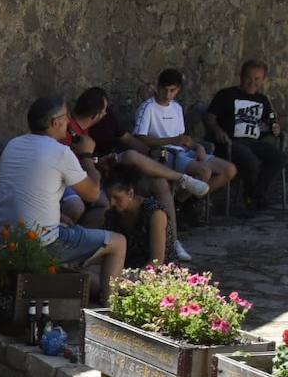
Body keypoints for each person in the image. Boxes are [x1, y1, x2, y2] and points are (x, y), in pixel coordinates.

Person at [0, 95, 126, 299]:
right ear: (55, 123)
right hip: (41, 245)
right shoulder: (60, 152)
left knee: (90, 280)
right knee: (118, 242)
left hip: (4, 240)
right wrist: (87, 155)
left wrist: (58, 216)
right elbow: (93, 194)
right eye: (66, 116)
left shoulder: (13, 144)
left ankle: (91, 287)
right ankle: (110, 309)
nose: (69, 120)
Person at [70, 86, 208, 259]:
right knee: (130, 156)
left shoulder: (106, 120)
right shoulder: (71, 133)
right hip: (100, 176)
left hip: (117, 170)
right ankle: (182, 178)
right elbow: (78, 165)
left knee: (159, 183)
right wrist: (96, 160)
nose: (106, 114)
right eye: (104, 111)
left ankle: (172, 240)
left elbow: (127, 138)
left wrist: (151, 154)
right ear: (94, 115)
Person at [133, 68, 237, 198]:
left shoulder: (177, 108)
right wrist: (171, 141)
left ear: (178, 90)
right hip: (165, 154)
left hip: (184, 151)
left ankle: (187, 200)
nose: (167, 94)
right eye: (165, 89)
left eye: (172, 90)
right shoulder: (148, 108)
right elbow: (139, 138)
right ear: (158, 86)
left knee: (229, 170)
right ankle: (181, 202)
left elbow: (182, 139)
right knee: (204, 172)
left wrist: (198, 146)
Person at [205, 59, 286, 213]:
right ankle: (253, 199)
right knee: (250, 159)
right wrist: (217, 130)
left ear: (263, 80)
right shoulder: (226, 95)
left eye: (257, 79)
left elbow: (272, 120)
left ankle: (254, 196)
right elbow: (209, 117)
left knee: (279, 157)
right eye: (249, 77)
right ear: (241, 76)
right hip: (230, 143)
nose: (252, 82)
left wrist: (275, 126)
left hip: (253, 142)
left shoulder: (262, 99)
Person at [104, 164, 174, 269]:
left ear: (130, 193)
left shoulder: (155, 214)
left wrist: (134, 280)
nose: (111, 203)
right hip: (126, 269)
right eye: (108, 198)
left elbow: (157, 260)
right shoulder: (112, 214)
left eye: (116, 197)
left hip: (157, 273)